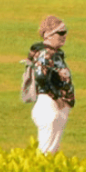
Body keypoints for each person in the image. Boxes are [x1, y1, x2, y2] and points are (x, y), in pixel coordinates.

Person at [28, 15, 75, 154]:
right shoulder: (45, 53)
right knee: (46, 152)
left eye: (65, 32)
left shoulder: (54, 53)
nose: (64, 35)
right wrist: (57, 97)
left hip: (54, 106)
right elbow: (41, 77)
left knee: (51, 150)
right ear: (48, 35)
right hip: (49, 105)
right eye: (60, 32)